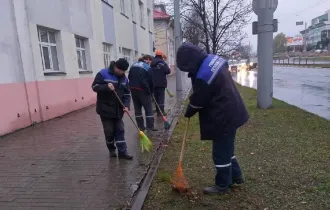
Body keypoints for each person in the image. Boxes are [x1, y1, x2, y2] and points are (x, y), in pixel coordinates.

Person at [176, 42, 250, 194]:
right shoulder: (213, 60)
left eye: (187, 68)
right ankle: (236, 176)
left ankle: (222, 185)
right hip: (233, 109)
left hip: (224, 115)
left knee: (220, 151)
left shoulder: (204, 76)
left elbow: (198, 100)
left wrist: (189, 111)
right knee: (227, 147)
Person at [91, 58, 133, 160]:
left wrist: (126, 105)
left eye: (123, 71)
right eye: (120, 70)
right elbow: (95, 86)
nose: (121, 73)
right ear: (115, 67)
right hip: (105, 109)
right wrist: (106, 87)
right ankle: (111, 149)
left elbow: (127, 93)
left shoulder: (124, 78)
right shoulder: (103, 73)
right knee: (109, 131)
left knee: (120, 129)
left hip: (118, 110)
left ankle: (123, 152)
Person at [128, 55, 158, 131]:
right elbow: (151, 81)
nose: (150, 63)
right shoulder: (147, 67)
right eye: (150, 61)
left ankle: (141, 127)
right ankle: (150, 126)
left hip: (133, 89)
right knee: (148, 109)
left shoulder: (133, 66)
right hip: (143, 90)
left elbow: (129, 77)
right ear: (148, 60)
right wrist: (151, 92)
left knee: (137, 109)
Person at [151, 50, 171, 116]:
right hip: (161, 83)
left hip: (153, 83)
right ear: (161, 55)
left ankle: (157, 111)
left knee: (156, 98)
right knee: (161, 98)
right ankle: (161, 112)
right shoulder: (163, 63)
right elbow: (168, 71)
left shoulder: (152, 63)